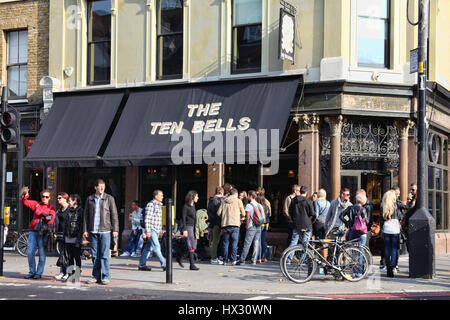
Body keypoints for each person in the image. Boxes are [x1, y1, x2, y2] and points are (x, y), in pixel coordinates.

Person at [83, 179, 119, 285]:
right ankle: (95, 276)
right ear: (95, 187)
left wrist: (115, 229)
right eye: (100, 186)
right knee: (94, 255)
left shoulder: (109, 198)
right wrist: (85, 230)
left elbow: (114, 215)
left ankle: (106, 276)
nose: (102, 188)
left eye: (103, 186)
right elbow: (86, 216)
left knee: (104, 255)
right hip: (93, 231)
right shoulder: (90, 199)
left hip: (105, 231)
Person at [21, 187, 56, 279]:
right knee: (30, 252)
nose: (44, 198)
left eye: (47, 197)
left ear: (50, 198)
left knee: (42, 254)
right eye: (43, 196)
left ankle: (39, 273)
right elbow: (25, 202)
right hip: (33, 231)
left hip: (43, 233)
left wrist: (40, 213)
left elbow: (51, 221)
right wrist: (25, 194)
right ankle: (32, 271)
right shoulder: (36, 204)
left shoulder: (51, 208)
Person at [138, 190, 167, 272]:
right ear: (156, 196)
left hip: (156, 230)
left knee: (148, 248)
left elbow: (158, 219)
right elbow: (147, 219)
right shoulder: (151, 205)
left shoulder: (159, 206)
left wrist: (160, 230)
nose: (162, 197)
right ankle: (164, 263)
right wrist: (148, 231)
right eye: (161, 195)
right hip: (151, 229)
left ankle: (142, 264)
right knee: (156, 246)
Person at [286, 186, 315, 263]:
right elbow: (312, 213)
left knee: (293, 241)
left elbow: (290, 212)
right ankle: (302, 260)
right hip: (307, 224)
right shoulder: (308, 201)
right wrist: (309, 219)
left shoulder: (293, 200)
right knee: (305, 243)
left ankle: (288, 259)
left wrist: (294, 219)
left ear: (300, 191)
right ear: (306, 192)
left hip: (296, 224)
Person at [217, 188, 246, 265]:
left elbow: (218, 213)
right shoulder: (238, 201)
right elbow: (243, 213)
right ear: (236, 194)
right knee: (234, 243)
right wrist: (240, 217)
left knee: (225, 243)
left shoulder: (224, 201)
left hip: (226, 225)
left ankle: (225, 261)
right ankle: (233, 260)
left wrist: (224, 217)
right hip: (235, 225)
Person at [380, 190, 403, 278]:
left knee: (386, 249)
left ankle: (388, 267)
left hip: (386, 228)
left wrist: (382, 229)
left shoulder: (383, 206)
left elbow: (381, 219)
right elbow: (401, 215)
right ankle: (392, 266)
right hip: (395, 229)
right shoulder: (396, 205)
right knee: (394, 249)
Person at [238, 190, 263, 265]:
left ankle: (242, 260)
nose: (248, 197)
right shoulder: (259, 205)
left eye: (248, 195)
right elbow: (263, 216)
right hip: (259, 226)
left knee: (247, 243)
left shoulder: (249, 205)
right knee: (256, 243)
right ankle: (254, 260)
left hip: (251, 226)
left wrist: (246, 226)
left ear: (251, 196)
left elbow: (247, 218)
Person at [64, 194, 84, 281]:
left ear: (75, 201)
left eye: (70, 200)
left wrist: (80, 239)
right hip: (68, 236)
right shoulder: (68, 210)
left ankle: (77, 275)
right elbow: (66, 224)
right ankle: (70, 275)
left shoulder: (80, 211)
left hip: (76, 237)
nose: (69, 202)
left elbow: (81, 225)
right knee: (70, 257)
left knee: (77, 257)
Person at [181, 190, 200, 270]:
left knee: (194, 244)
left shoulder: (193, 206)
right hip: (188, 227)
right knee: (191, 244)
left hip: (194, 227)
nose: (198, 198)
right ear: (192, 197)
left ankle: (180, 257)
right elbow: (183, 218)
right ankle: (192, 265)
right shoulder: (186, 206)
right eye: (196, 196)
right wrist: (184, 229)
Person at [54, 192, 71, 280]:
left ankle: (68, 273)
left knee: (67, 254)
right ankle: (62, 272)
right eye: (57, 198)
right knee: (61, 254)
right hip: (60, 234)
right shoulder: (59, 210)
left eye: (60, 198)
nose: (58, 199)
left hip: (68, 234)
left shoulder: (70, 209)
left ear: (65, 199)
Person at [207, 187, 224, 265]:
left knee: (212, 241)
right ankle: (213, 258)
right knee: (215, 242)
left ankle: (213, 257)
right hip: (216, 223)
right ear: (221, 192)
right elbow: (218, 214)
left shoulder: (211, 200)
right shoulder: (217, 201)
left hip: (211, 222)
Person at [256, 193, 270, 263]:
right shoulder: (266, 206)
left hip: (260, 225)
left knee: (258, 241)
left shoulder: (259, 206)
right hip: (266, 224)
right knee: (263, 240)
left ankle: (259, 257)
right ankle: (264, 257)